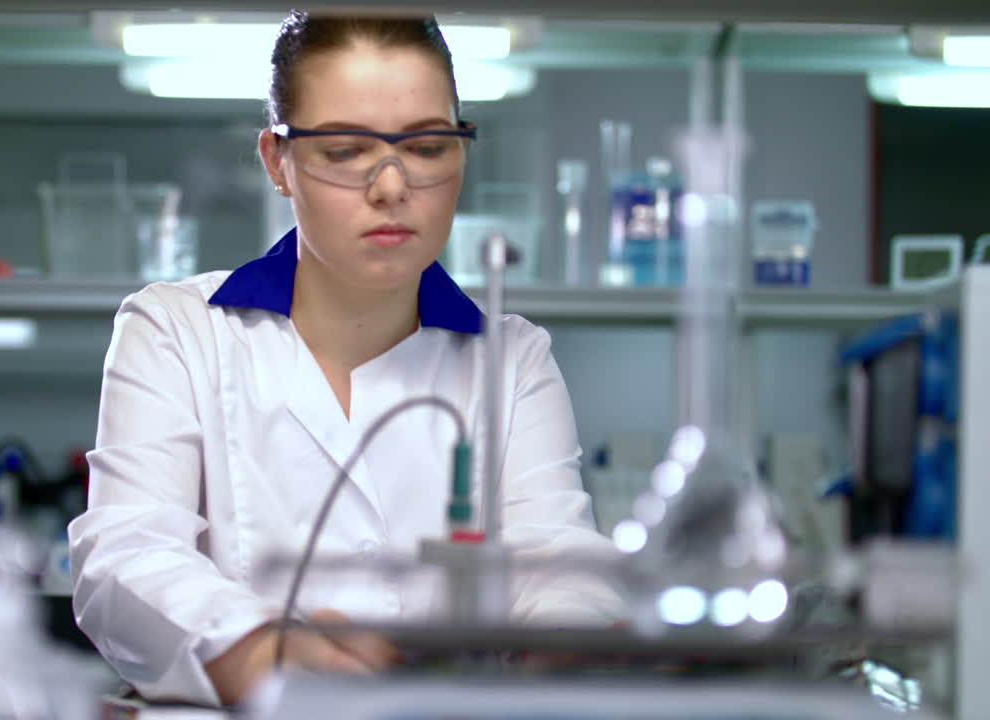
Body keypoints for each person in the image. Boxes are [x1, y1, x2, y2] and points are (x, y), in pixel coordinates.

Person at [68, 11, 623, 708]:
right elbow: (126, 555)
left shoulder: (512, 360)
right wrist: (261, 652)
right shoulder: (178, 331)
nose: (392, 186)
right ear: (278, 161)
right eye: (344, 151)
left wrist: (574, 648)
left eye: (426, 147)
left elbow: (558, 565)